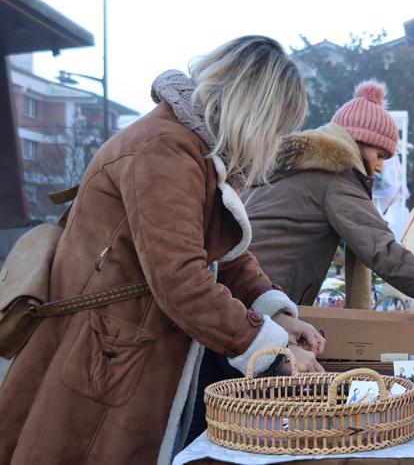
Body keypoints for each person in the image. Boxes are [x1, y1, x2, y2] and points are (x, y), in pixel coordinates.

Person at [0, 36, 325, 465]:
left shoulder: (190, 149)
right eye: (277, 128)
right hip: (104, 365)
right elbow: (182, 279)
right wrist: (272, 350)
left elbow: (225, 256)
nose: (274, 143)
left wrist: (279, 318)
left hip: (118, 357)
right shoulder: (165, 149)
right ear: (256, 113)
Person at [241, 80, 414, 337]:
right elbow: (383, 253)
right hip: (261, 313)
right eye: (381, 155)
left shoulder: (303, 169)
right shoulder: (335, 173)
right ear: (361, 140)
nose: (381, 167)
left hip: (245, 301)